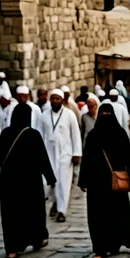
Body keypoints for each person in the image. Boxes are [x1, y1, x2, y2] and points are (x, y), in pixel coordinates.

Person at [79, 103, 130, 258]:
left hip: (107, 184)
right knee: (103, 215)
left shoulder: (101, 134)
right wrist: (83, 181)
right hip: (100, 183)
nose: (105, 117)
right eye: (103, 114)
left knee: (111, 215)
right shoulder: (107, 134)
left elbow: (128, 157)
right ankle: (101, 248)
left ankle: (111, 245)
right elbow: (87, 159)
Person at [0, 103, 56, 258]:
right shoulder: (33, 135)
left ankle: (12, 249)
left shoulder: (5, 133)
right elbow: (43, 158)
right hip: (31, 182)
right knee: (33, 212)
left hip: (9, 183)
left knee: (11, 216)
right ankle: (36, 239)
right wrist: (50, 178)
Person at [40, 90, 82, 223]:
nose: (55, 101)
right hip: (49, 153)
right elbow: (40, 135)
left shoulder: (69, 114)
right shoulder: (44, 115)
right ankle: (55, 202)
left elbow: (76, 134)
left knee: (64, 182)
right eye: (53, 98)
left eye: (57, 98)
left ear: (62, 100)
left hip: (65, 154)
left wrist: (77, 153)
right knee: (49, 182)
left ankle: (62, 211)